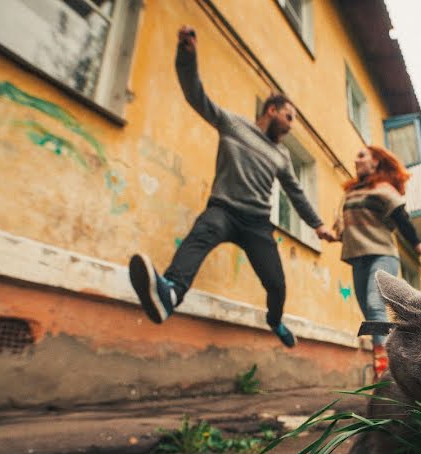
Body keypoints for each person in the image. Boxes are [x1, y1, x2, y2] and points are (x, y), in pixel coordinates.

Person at [129, 25, 335, 348]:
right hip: (223, 210)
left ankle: (274, 320)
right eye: (289, 116)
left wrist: (318, 225)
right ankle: (169, 293)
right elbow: (195, 95)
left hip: (257, 224)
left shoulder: (282, 155)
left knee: (277, 284)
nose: (291, 124)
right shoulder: (232, 124)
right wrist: (187, 55)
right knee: (201, 233)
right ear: (272, 110)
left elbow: (296, 193)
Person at [335, 146, 421, 378]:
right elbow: (346, 229)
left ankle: (385, 375)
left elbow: (403, 222)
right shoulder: (351, 193)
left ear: (376, 163)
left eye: (362, 155)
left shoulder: (382, 188)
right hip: (358, 259)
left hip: (382, 255)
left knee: (376, 307)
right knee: (373, 319)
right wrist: (330, 232)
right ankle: (403, 360)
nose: (356, 159)